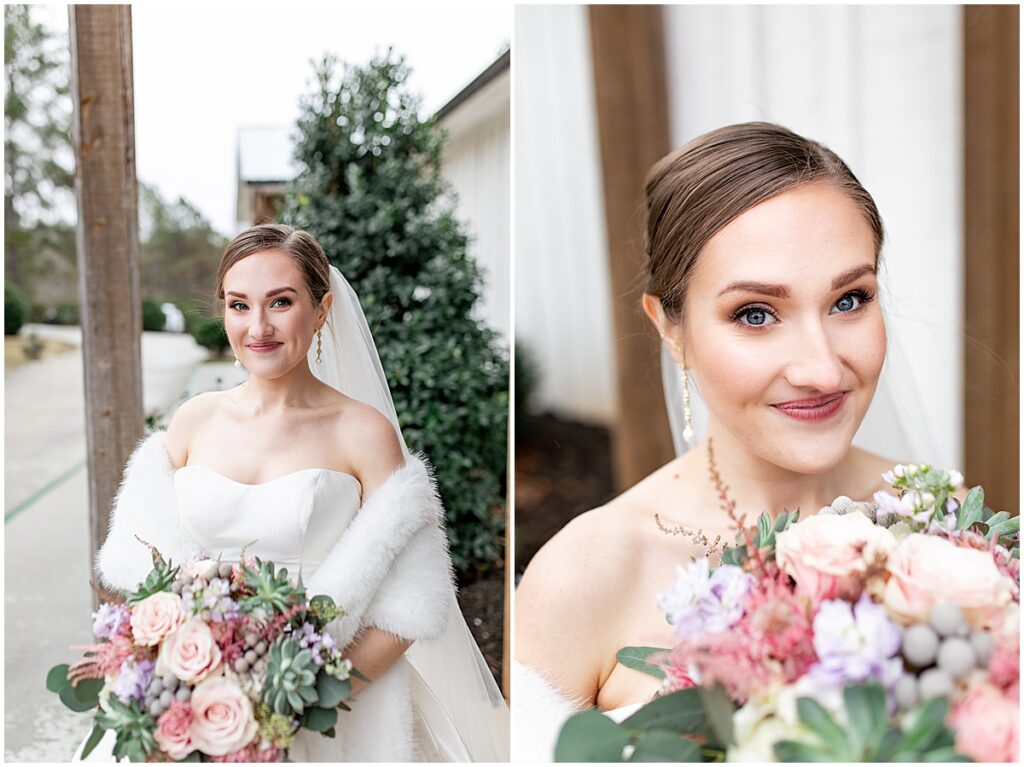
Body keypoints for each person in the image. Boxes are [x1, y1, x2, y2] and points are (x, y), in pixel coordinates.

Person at [513, 122, 906, 758]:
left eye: (849, 299)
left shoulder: (936, 521)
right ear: (671, 329)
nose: (823, 369)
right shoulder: (584, 578)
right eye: (756, 313)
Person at [80, 224, 509, 762]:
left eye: (280, 302)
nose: (257, 327)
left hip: (336, 709)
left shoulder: (363, 433)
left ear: (323, 308)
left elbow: (410, 604)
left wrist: (289, 704)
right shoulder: (193, 421)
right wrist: (186, 682)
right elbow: (138, 566)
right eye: (239, 305)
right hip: (192, 704)